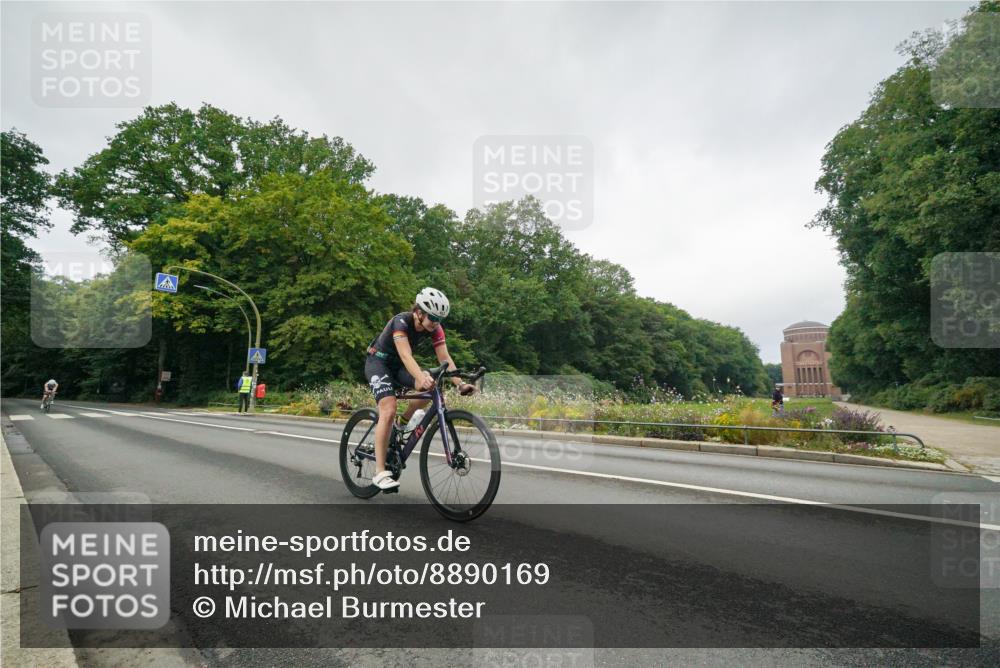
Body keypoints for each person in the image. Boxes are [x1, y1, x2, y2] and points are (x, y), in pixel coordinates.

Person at [364, 288, 476, 490]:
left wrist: (459, 383)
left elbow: (444, 358)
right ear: (419, 312)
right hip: (378, 363)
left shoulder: (435, 328)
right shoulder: (401, 322)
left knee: (430, 386)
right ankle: (379, 472)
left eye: (439, 319)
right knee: (388, 408)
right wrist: (419, 376)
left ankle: (401, 423)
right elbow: (406, 356)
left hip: (397, 368)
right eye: (433, 317)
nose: (435, 323)